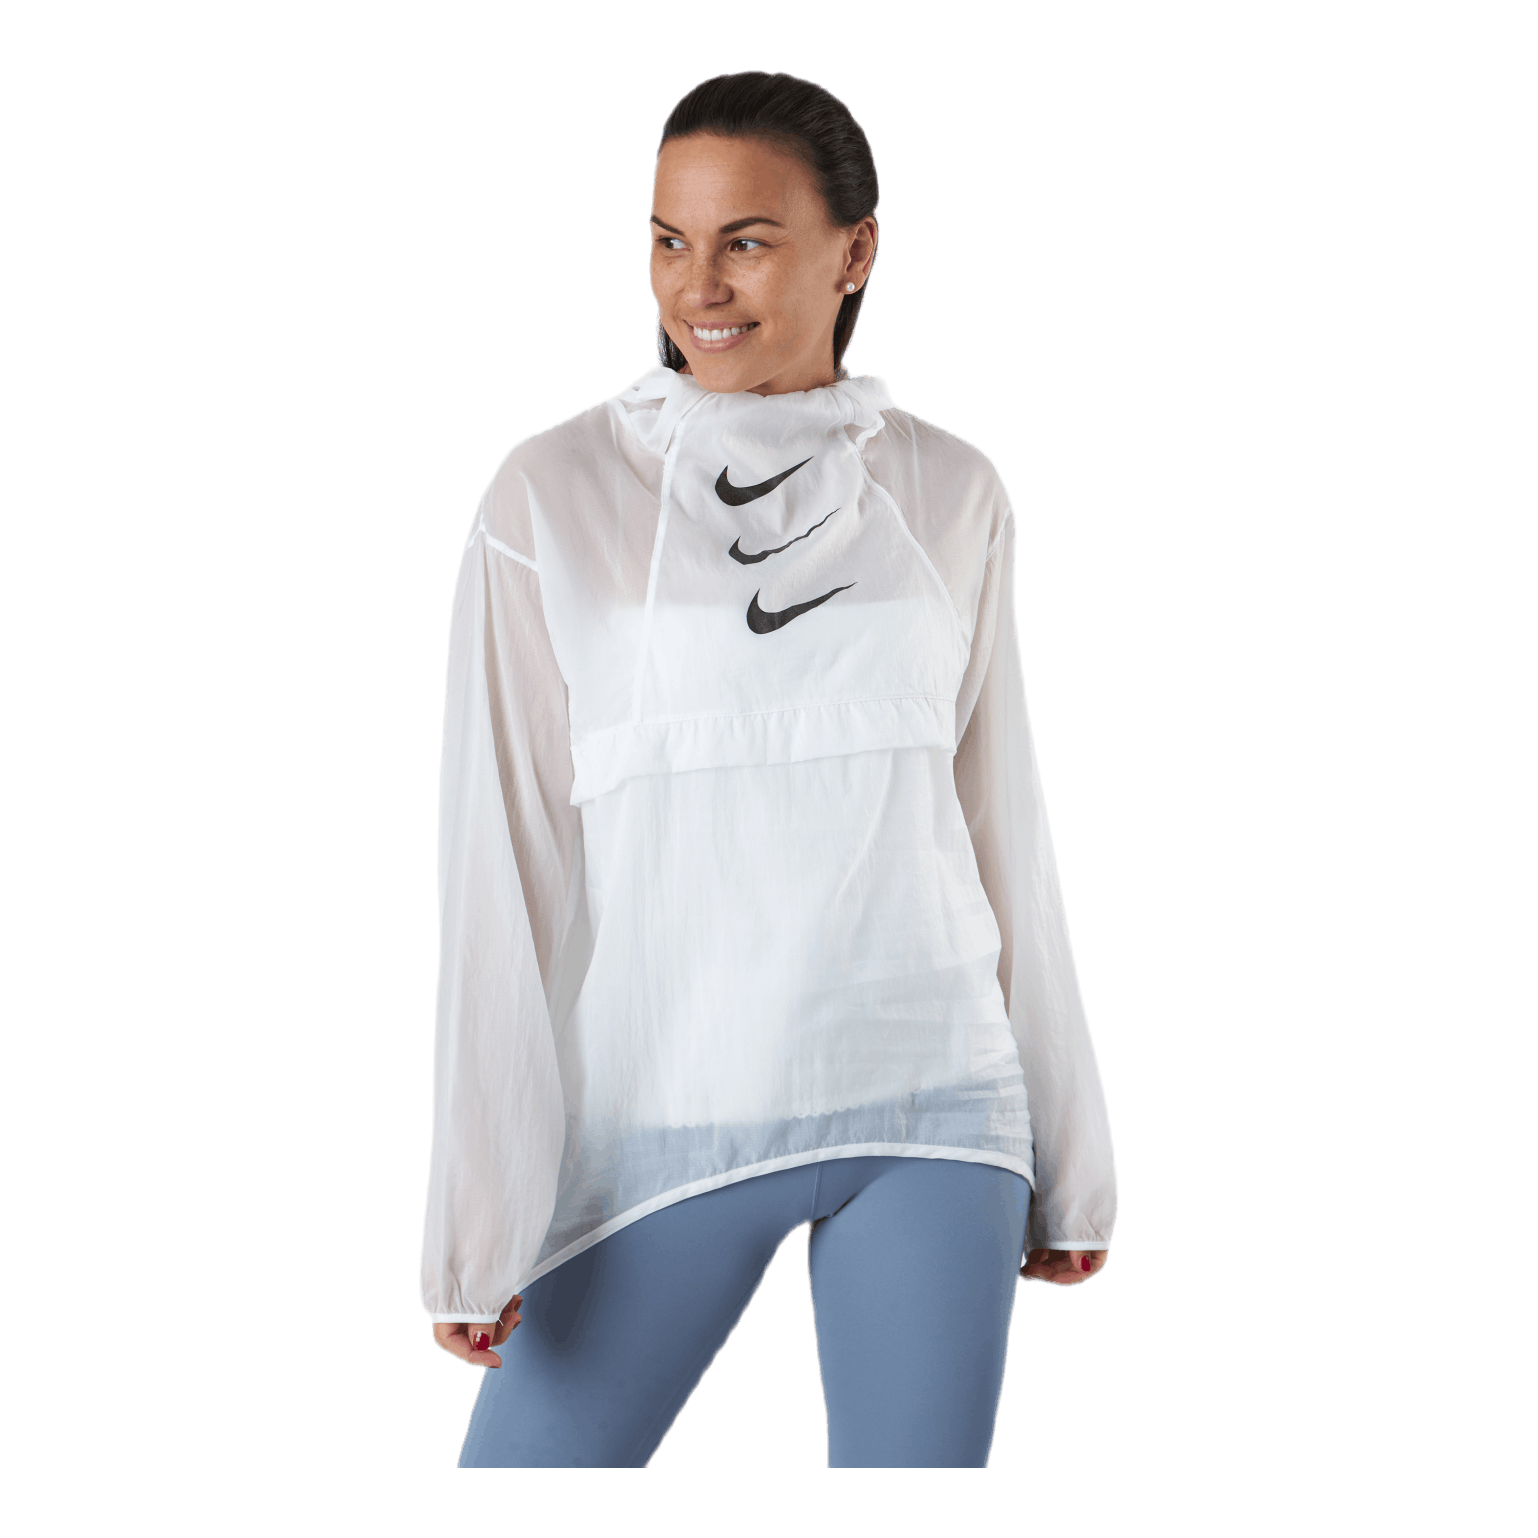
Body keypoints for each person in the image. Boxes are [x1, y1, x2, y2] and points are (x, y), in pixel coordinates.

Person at [421, 70, 1117, 1469]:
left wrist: (1070, 1142)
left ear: (856, 251)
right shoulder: (550, 491)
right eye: (669, 241)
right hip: (666, 1113)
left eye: (746, 240)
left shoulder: (955, 488)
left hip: (933, 1101)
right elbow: (500, 863)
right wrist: (477, 1214)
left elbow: (999, 817)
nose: (700, 286)